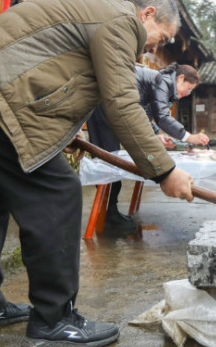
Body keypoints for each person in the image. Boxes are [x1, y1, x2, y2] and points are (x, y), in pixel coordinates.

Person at [0, 0, 196, 347]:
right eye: (160, 38)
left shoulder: (96, 10)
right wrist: (164, 172)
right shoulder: (121, 21)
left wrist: (64, 134)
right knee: (58, 192)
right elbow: (121, 103)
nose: (152, 48)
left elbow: (61, 76)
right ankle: (55, 320)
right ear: (147, 14)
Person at [86, 63, 209, 232]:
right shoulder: (163, 80)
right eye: (188, 89)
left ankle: (109, 213)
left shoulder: (158, 81)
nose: (186, 94)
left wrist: (157, 135)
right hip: (104, 104)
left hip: (109, 103)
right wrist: (189, 137)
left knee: (110, 161)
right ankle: (107, 217)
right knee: (109, 161)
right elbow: (162, 117)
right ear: (180, 78)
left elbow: (142, 113)